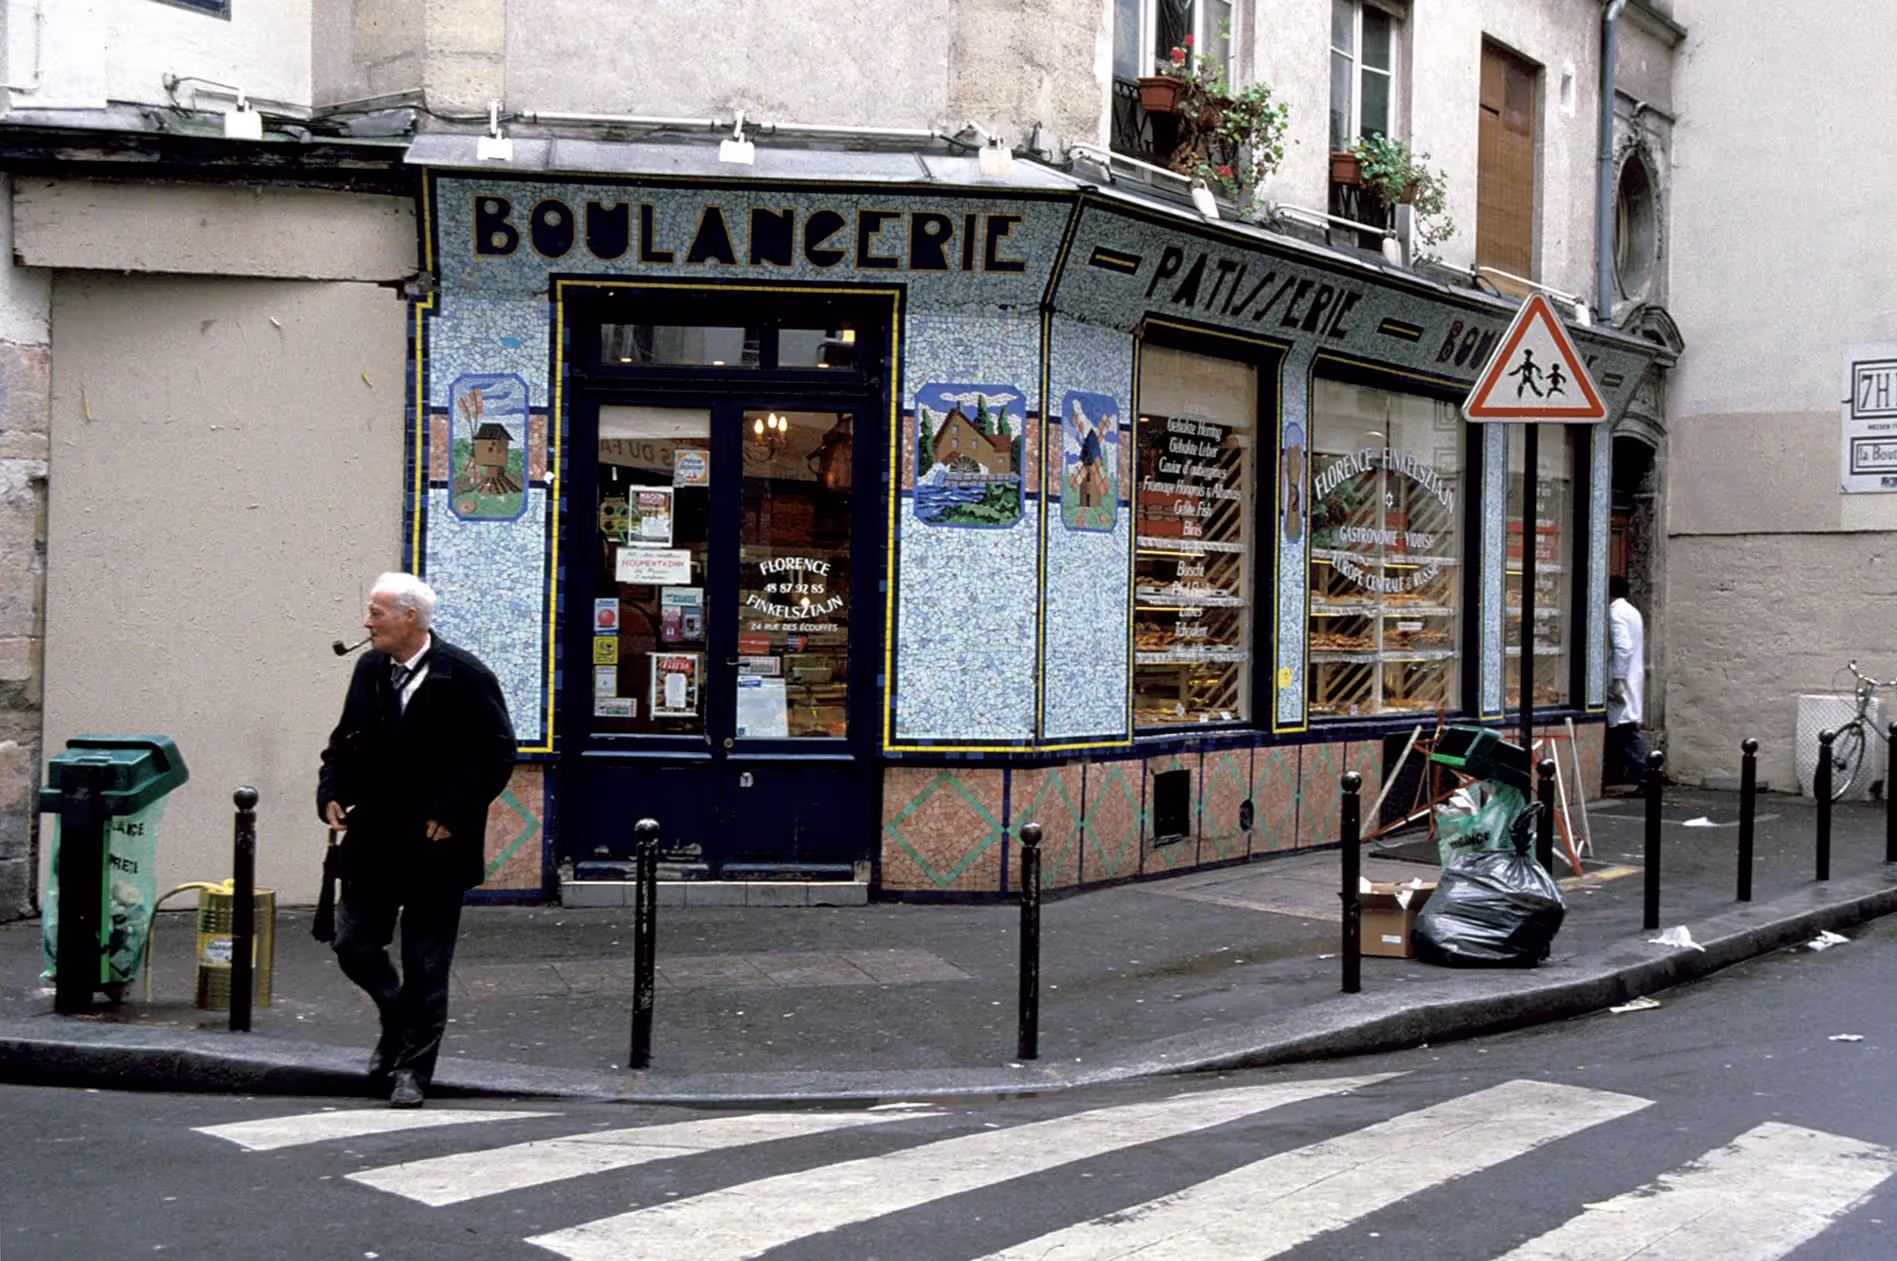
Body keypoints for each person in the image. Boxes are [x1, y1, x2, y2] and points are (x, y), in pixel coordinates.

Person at [317, 573, 515, 1107]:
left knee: (427, 964)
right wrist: (331, 790)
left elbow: (496, 754)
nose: (366, 621)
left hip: (435, 846)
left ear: (410, 617)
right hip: (374, 838)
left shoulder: (465, 675)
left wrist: (453, 810)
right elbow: (343, 742)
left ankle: (412, 1071)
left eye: (376, 612)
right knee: (353, 944)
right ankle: (399, 1018)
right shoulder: (369, 668)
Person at [1606, 574, 1649, 787]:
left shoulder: (1615, 613)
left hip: (1621, 678)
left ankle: (1647, 775)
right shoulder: (1632, 611)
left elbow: (1623, 648)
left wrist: (1618, 679)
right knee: (1623, 728)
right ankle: (1641, 774)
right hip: (1631, 676)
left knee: (1625, 729)